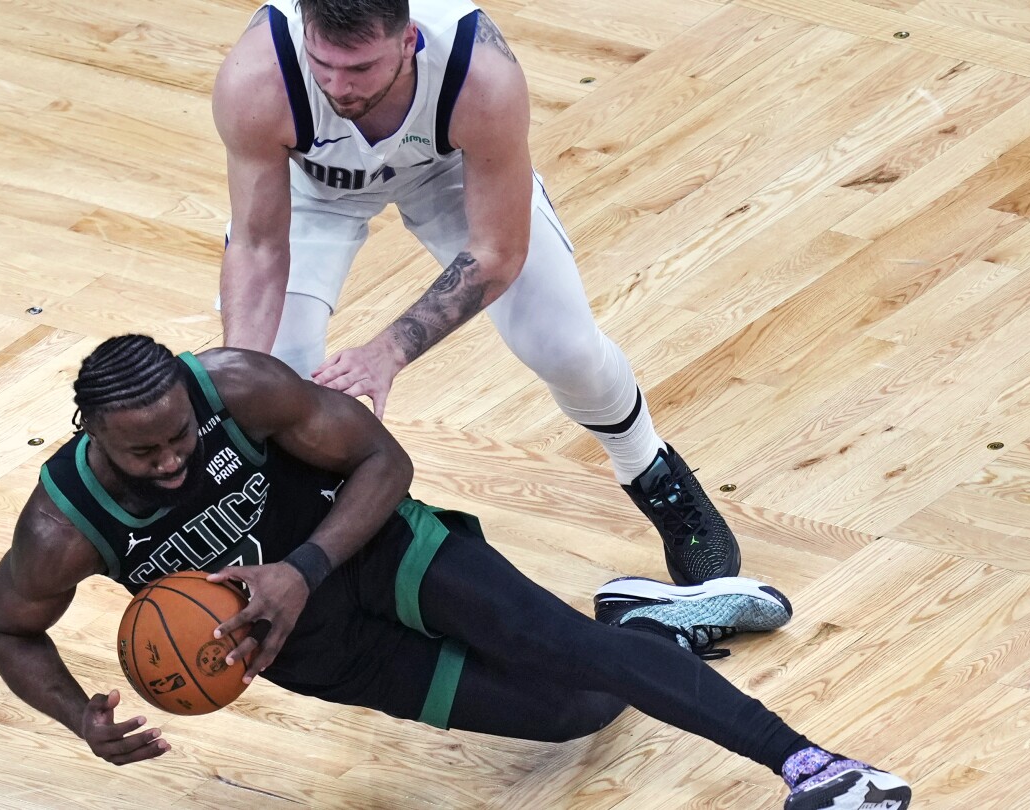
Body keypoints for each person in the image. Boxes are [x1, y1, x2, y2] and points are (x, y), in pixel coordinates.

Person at [0, 335, 912, 810]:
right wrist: (78, 717)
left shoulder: (242, 385)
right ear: (90, 435)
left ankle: (815, 769)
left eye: (183, 434)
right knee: (574, 709)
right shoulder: (63, 530)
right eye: (145, 453)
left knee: (571, 650)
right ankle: (648, 622)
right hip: (321, 656)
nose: (174, 460)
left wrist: (303, 567)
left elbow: (384, 462)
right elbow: (9, 628)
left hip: (385, 553)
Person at [212, 0, 745, 588]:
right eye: (323, 63)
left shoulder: (480, 72)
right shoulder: (258, 77)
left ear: (409, 40)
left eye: (360, 69)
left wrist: (387, 350)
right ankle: (315, 543)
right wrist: (242, 387)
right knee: (277, 378)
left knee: (561, 346)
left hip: (450, 164)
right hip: (314, 183)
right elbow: (259, 248)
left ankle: (653, 472)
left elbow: (497, 253)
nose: (338, 86)